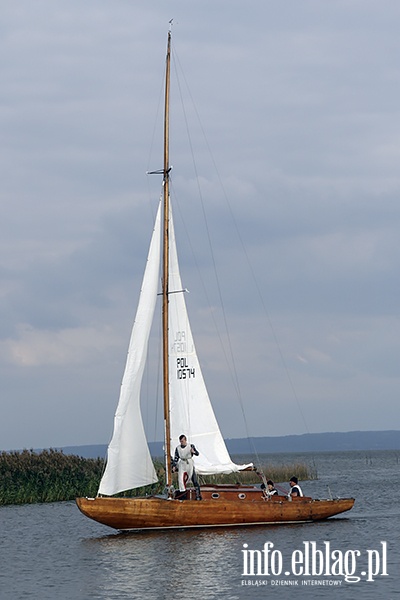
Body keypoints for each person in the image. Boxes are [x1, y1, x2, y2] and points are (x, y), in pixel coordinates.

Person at [172, 434, 202, 500]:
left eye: (182, 441)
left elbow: (197, 453)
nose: (181, 442)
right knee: (180, 480)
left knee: (194, 479)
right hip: (182, 463)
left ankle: (198, 495)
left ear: (185, 440)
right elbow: (176, 458)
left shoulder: (190, 446)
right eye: (180, 441)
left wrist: (193, 452)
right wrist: (174, 465)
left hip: (189, 463)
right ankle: (183, 496)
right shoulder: (178, 448)